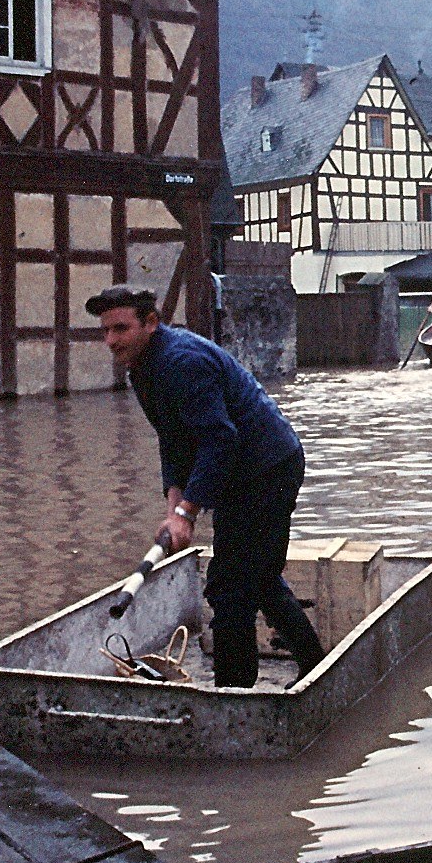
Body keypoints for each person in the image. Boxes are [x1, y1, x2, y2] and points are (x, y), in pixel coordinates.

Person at [86, 284, 325, 689]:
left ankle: (234, 696)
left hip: (268, 469)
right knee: (258, 577)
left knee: (230, 588)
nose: (111, 341)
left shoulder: (181, 362)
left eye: (121, 329)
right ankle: (316, 666)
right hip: (236, 470)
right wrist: (174, 507)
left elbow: (219, 440)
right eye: (106, 331)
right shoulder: (141, 367)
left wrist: (187, 513)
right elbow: (173, 440)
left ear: (150, 323)